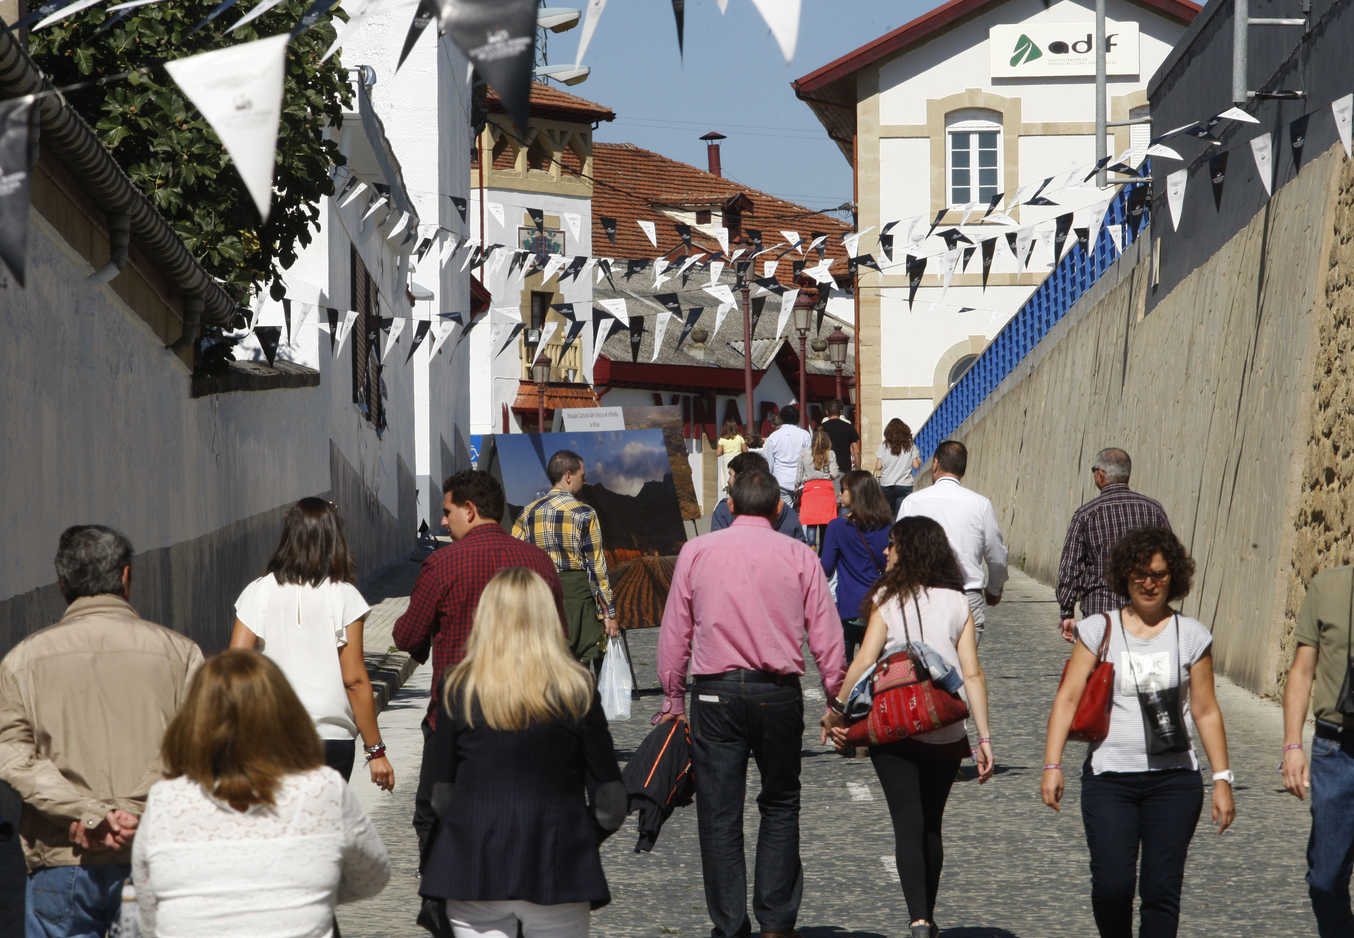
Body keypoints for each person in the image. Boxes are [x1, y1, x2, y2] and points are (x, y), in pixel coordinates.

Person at [658, 468, 846, 938]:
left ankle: (729, 925)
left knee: (719, 812)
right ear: (778, 509)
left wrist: (672, 697)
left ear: (732, 506)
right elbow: (826, 633)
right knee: (781, 803)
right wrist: (835, 697)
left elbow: (675, 630)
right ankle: (776, 922)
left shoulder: (697, 552)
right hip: (776, 693)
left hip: (712, 691)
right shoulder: (800, 554)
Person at [0, 525, 203, 938]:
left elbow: (13, 756)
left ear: (61, 583)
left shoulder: (22, 661)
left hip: (65, 855)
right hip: (158, 856)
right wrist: (131, 814)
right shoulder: (181, 654)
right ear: (126, 577)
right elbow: (199, 749)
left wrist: (91, 815)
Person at [1042, 527, 1234, 938]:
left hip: (1175, 782)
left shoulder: (1192, 636)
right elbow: (1068, 698)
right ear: (1124, 577)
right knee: (1112, 885)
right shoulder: (1099, 630)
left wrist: (1222, 780)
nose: (1150, 583)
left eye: (1160, 575)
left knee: (1161, 890)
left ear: (1174, 578)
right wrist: (1052, 764)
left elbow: (1205, 710)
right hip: (1110, 778)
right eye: (1141, 574)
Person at [419, 567, 625, 938]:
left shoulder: (458, 687)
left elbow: (441, 793)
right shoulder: (576, 688)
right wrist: (577, 834)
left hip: (474, 864)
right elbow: (610, 800)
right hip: (558, 860)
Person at [131, 650, 390, 936]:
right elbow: (372, 875)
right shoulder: (322, 788)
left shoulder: (166, 800)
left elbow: (150, 908)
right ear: (285, 714)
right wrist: (311, 890)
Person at [828, 516, 994, 938]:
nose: (885, 552)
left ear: (910, 551)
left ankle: (918, 919)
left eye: (892, 546)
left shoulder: (886, 597)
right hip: (944, 728)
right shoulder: (959, 602)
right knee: (932, 824)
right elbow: (972, 674)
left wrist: (838, 711)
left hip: (891, 726)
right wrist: (984, 737)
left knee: (906, 821)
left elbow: (864, 661)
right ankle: (929, 916)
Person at [393, 470, 565, 865]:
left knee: (437, 817)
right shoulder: (538, 562)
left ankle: (444, 902)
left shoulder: (442, 564)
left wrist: (429, 636)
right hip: (527, 718)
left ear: (469, 511)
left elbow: (405, 636)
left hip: (456, 720)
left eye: (446, 511)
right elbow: (560, 638)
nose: (441, 521)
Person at [229, 497, 394, 791]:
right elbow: (354, 679)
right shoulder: (344, 596)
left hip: (270, 735)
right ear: (334, 539)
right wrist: (376, 751)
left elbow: (234, 667)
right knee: (324, 830)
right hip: (330, 739)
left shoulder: (258, 592)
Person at [1280, 563, 1354, 936]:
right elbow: (1302, 670)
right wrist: (1292, 745)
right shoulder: (1329, 587)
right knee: (1325, 879)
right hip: (1336, 750)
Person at [512, 450, 619, 672]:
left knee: (547, 664)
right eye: (583, 475)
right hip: (576, 598)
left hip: (540, 596)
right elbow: (597, 566)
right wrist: (608, 613)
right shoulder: (585, 513)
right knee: (579, 666)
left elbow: (515, 558)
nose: (585, 480)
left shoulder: (528, 513)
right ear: (568, 476)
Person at [1056, 448, 1171, 643]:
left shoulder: (1086, 515)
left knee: (1103, 670)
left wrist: (1067, 611)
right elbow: (1170, 558)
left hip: (1101, 613)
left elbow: (1070, 567)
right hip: (1145, 610)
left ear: (1101, 475)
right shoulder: (1153, 510)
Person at [898, 440, 1007, 643]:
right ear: (963, 469)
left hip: (924, 596)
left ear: (935, 464)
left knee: (926, 666)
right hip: (967, 596)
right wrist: (994, 589)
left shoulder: (912, 502)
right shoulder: (981, 504)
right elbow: (996, 554)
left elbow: (898, 550)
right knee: (967, 667)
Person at [819, 470, 893, 660]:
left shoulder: (837, 527)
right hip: (879, 606)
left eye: (843, 490)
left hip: (849, 606)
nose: (839, 494)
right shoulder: (888, 527)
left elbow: (826, 568)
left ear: (855, 493)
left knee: (845, 672)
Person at [709, 452, 807, 542]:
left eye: (730, 475)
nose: (728, 481)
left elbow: (717, 547)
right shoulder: (787, 513)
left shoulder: (724, 510)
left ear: (741, 478)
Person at [795, 428, 840, 547]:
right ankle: (824, 551)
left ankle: (812, 548)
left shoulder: (804, 453)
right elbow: (835, 474)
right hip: (826, 490)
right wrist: (825, 473)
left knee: (811, 522)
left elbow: (799, 475)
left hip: (810, 489)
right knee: (826, 523)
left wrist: (796, 486)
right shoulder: (830, 454)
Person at [762, 404, 812, 499]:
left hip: (780, 482)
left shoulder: (773, 437)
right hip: (801, 483)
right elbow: (808, 461)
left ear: (781, 418)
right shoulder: (805, 435)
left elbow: (769, 463)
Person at [875, 418, 922, 515]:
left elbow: (878, 466)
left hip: (886, 484)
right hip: (904, 484)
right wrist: (919, 460)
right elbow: (916, 466)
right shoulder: (910, 445)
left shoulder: (885, 445)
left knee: (887, 515)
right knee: (901, 514)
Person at [820, 398, 860, 472]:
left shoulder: (821, 428)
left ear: (827, 412)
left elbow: (816, 449)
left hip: (827, 469)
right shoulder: (849, 427)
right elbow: (856, 451)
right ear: (841, 412)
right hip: (844, 468)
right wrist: (858, 470)